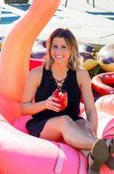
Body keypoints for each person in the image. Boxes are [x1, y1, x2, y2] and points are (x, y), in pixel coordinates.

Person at [21, 28, 114, 174]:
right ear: (49, 48)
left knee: (83, 123)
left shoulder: (81, 74)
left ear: (72, 49)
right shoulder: (37, 74)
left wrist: (91, 132)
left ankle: (93, 160)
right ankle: (106, 145)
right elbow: (24, 108)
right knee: (64, 120)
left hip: (73, 122)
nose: (58, 51)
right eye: (55, 46)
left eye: (64, 47)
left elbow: (90, 108)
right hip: (43, 125)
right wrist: (45, 104)